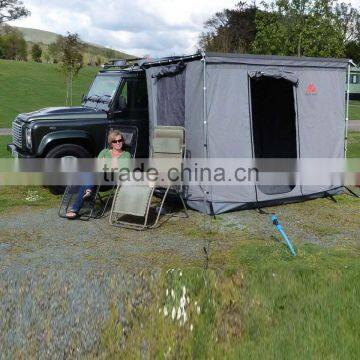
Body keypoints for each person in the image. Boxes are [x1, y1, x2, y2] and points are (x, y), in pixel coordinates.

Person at [65, 129, 131, 219]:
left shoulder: (126, 155)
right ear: (111, 143)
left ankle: (79, 202)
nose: (118, 143)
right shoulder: (104, 151)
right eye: (115, 141)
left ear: (122, 141)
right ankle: (86, 193)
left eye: (120, 140)